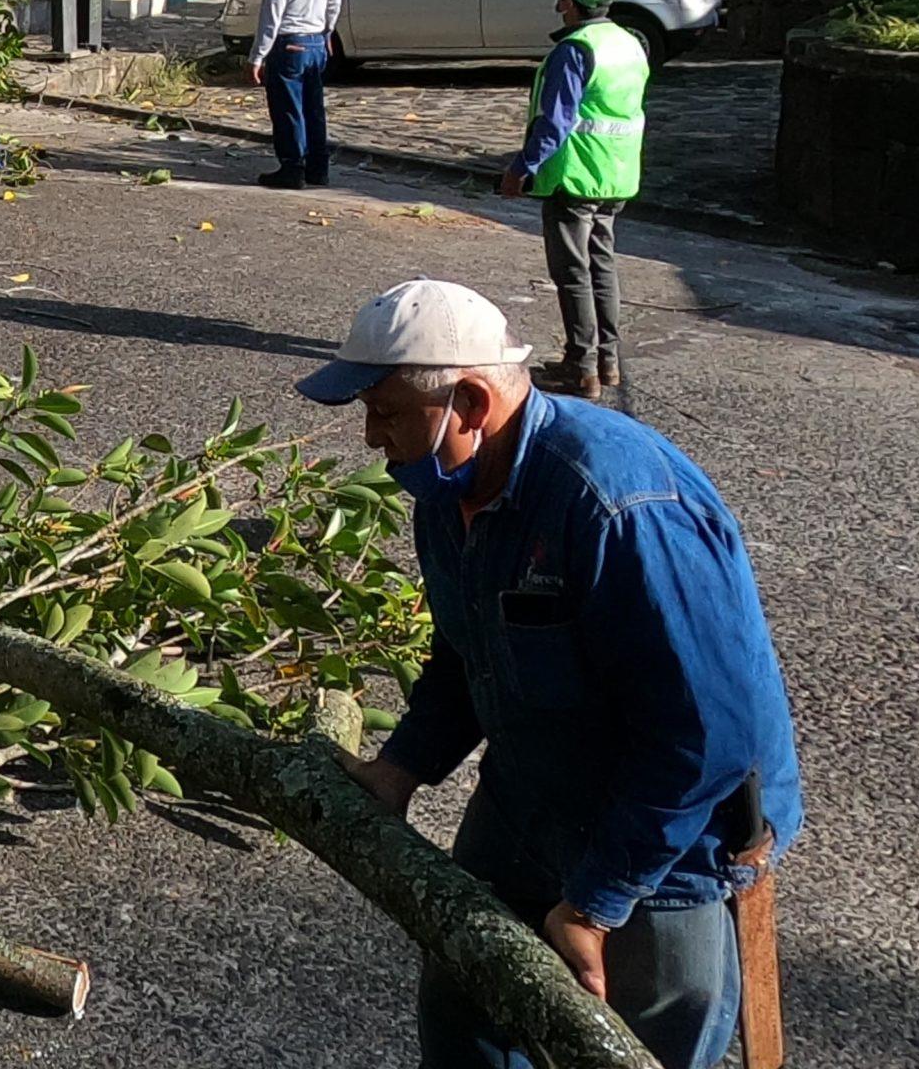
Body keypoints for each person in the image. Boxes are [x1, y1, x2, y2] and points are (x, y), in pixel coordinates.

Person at [296, 279, 801, 1069]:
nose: (370, 437)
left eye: (386, 412)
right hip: (527, 801)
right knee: (466, 1020)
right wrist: (401, 770)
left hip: (667, 845)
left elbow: (710, 737)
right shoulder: (445, 489)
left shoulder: (620, 505)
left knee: (633, 1048)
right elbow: (468, 649)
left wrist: (598, 903)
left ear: (467, 403)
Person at [497, 0, 645, 401]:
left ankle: (581, 369)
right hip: (616, 174)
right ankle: (608, 362)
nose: (557, 4)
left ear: (570, 2)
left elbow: (555, 122)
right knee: (602, 266)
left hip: (574, 174)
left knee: (573, 273)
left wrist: (522, 167)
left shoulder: (575, 50)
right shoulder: (630, 44)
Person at [249, 0, 340, 189]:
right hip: (315, 43)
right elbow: (334, 3)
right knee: (313, 108)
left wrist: (257, 57)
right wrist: (327, 33)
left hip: (289, 45)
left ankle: (292, 168)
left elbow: (270, 18)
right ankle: (318, 167)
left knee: (288, 109)